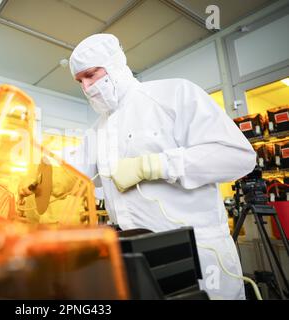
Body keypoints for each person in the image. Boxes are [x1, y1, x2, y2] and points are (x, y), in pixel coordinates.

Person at [66, 33, 257, 300]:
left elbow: (237, 156)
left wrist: (152, 165)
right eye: (79, 81)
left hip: (201, 255)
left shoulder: (174, 94)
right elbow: (68, 174)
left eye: (91, 74)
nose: (86, 87)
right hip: (137, 255)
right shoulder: (97, 131)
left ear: (114, 65)